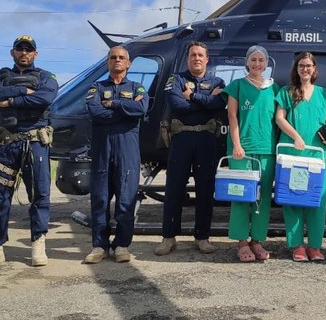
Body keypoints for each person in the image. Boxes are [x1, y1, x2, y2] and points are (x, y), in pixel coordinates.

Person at [0, 35, 58, 270]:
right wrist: (23, 91)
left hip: (34, 143)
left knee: (39, 196)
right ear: (12, 53)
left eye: (28, 50)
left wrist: (8, 101)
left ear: (35, 54)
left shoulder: (45, 77)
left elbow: (46, 98)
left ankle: (38, 243)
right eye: (19, 49)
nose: (24, 53)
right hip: (5, 145)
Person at [155, 41, 225, 256]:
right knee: (174, 189)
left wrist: (193, 96)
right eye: (193, 55)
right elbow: (177, 105)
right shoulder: (176, 79)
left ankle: (202, 237)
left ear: (207, 59)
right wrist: (206, 100)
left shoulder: (218, 81)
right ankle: (168, 238)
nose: (196, 58)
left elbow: (217, 104)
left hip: (206, 138)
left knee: (205, 190)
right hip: (182, 138)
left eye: (200, 55)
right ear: (188, 59)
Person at [83, 46, 149, 264]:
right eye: (113, 58)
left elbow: (140, 110)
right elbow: (95, 111)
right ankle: (99, 246)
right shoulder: (97, 87)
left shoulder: (138, 87)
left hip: (127, 151)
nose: (117, 60)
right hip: (103, 150)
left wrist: (114, 104)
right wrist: (124, 111)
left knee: (125, 199)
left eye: (121, 58)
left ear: (128, 63)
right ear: (107, 63)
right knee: (100, 199)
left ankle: (121, 245)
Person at [275, 52, 326, 262]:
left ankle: (314, 246)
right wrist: (296, 136)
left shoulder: (322, 94)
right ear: (296, 68)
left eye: (309, 66)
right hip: (293, 152)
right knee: (293, 199)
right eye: (301, 65)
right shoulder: (286, 92)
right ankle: (296, 246)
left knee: (316, 200)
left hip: (317, 154)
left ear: (314, 69)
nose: (305, 69)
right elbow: (279, 118)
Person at [223, 45, 280, 262]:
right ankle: (241, 242)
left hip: (267, 150)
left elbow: (278, 120)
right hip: (242, 151)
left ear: (267, 64)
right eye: (253, 60)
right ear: (247, 62)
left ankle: (257, 240)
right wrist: (237, 145)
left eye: (261, 60)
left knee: (262, 198)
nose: (257, 64)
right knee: (241, 196)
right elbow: (232, 117)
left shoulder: (274, 89)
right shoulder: (237, 86)